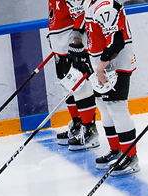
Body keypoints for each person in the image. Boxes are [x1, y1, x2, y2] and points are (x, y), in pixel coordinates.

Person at [84, 0, 138, 174]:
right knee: (104, 108)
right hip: (102, 67)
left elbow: (117, 41)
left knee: (117, 108)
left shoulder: (105, 6)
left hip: (116, 66)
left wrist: (101, 66)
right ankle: (116, 150)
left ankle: (131, 157)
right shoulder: (91, 4)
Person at [49, 0, 98, 151]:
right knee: (67, 88)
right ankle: (77, 125)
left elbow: (82, 12)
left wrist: (77, 42)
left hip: (71, 45)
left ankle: (89, 130)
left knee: (81, 89)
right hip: (60, 47)